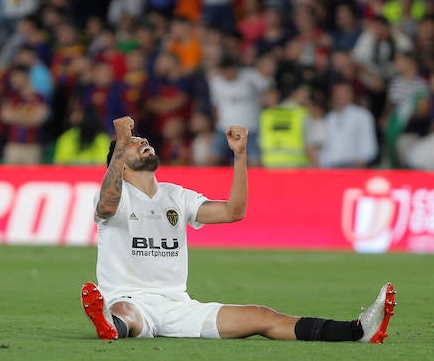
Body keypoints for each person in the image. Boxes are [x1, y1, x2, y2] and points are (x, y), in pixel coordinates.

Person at [80, 116, 396, 344]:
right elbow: (106, 208)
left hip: (178, 305)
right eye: (135, 144)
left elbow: (234, 211)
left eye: (142, 140)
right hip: (131, 299)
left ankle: (358, 331)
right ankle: (109, 324)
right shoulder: (112, 195)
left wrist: (240, 156)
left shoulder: (176, 195)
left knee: (263, 317)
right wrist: (121, 142)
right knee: (125, 313)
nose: (143, 142)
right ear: (119, 164)